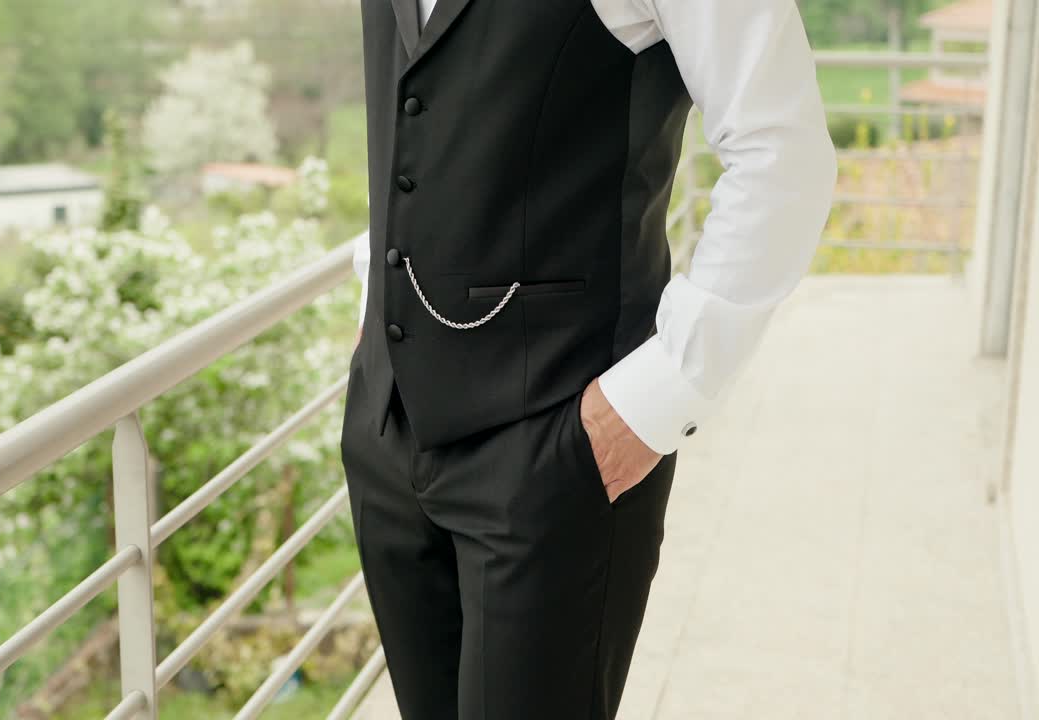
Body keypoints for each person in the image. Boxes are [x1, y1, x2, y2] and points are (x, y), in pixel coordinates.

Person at [339, 0, 837, 717]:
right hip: (389, 426)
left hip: (557, 442)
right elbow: (419, 111)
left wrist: (652, 403)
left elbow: (781, 152)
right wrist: (373, 311)